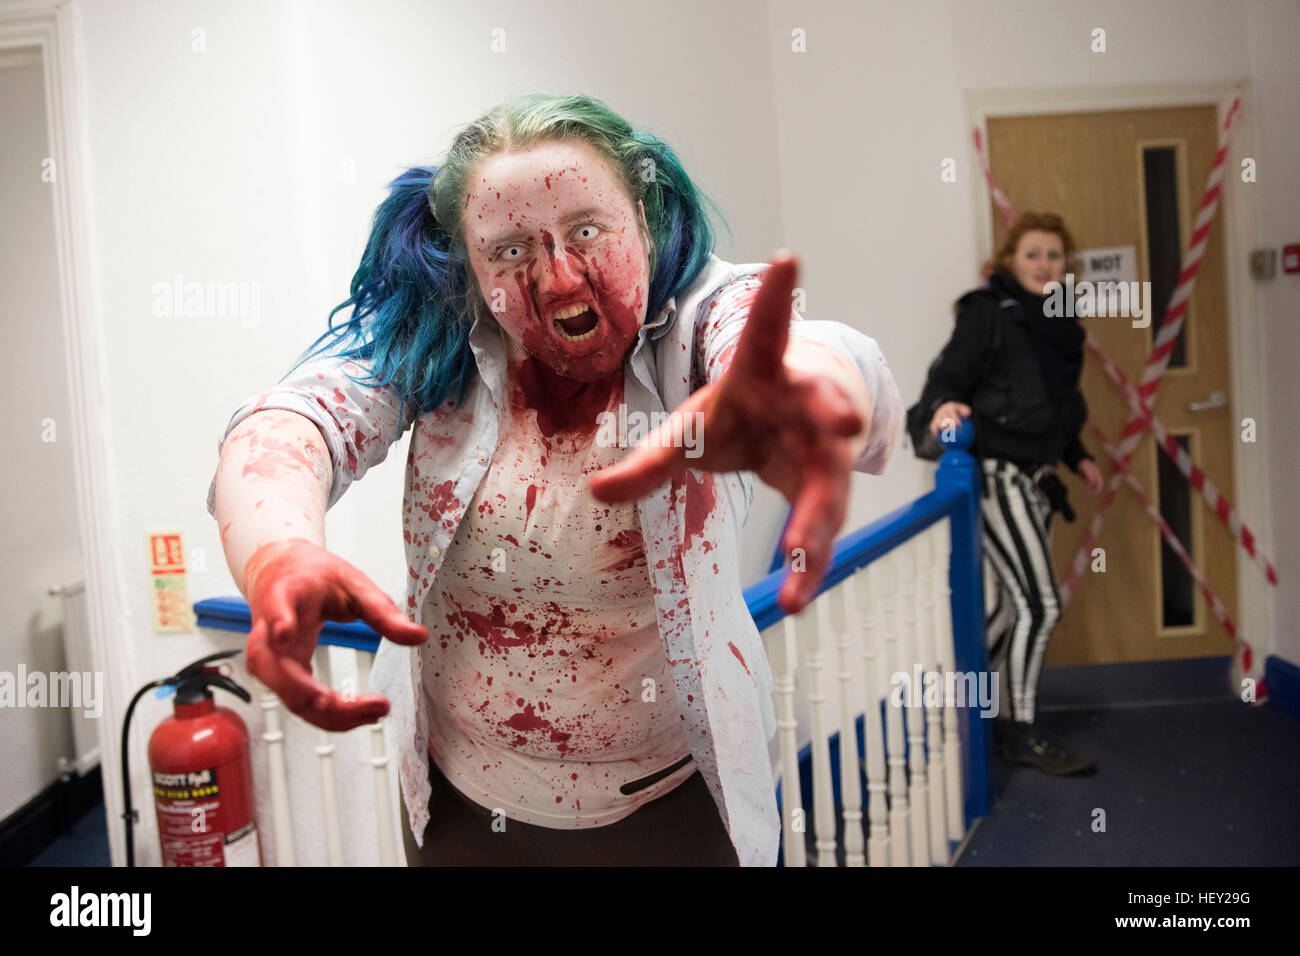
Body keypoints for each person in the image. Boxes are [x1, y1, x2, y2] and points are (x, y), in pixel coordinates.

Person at [207, 92, 904, 867]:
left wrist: (812, 390)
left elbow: (799, 351)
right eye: (509, 250)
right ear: (468, 267)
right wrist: (276, 553)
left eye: (587, 229)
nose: (560, 274)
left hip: (673, 812)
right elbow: (294, 420)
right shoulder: (440, 347)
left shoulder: (698, 317)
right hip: (463, 811)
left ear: (642, 219)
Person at [912, 212, 1104, 777]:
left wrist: (1079, 457)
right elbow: (948, 377)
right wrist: (942, 407)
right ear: (1008, 264)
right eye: (1032, 255)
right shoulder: (987, 313)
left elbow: (1058, 408)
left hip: (1038, 480)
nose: (1045, 265)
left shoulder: (1063, 324)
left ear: (1067, 265)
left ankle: (973, 712)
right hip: (998, 472)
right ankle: (1019, 731)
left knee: (1008, 606)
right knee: (1040, 605)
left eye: (1053, 255)